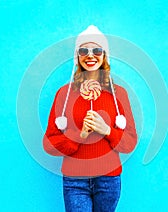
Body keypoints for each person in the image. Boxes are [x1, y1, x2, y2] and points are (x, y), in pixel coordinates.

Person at [43, 25, 137, 212]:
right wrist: (79, 135)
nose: (90, 55)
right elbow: (49, 144)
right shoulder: (64, 94)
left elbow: (130, 144)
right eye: (84, 50)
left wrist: (107, 130)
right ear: (77, 56)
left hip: (109, 179)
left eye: (97, 50)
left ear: (105, 56)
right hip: (75, 179)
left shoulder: (119, 95)